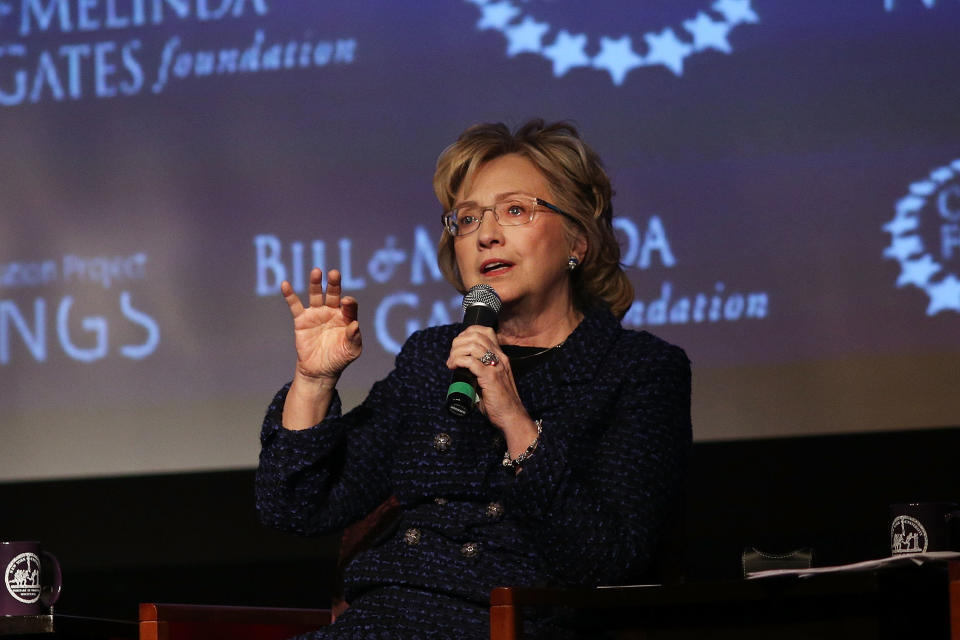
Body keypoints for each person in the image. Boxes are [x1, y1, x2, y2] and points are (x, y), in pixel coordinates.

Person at [255, 119, 692, 639]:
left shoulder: (638, 371)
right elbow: (296, 508)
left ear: (579, 238)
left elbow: (606, 561)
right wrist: (313, 381)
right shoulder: (430, 358)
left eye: (515, 210)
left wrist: (513, 417)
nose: (486, 234)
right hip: (381, 621)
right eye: (465, 219)